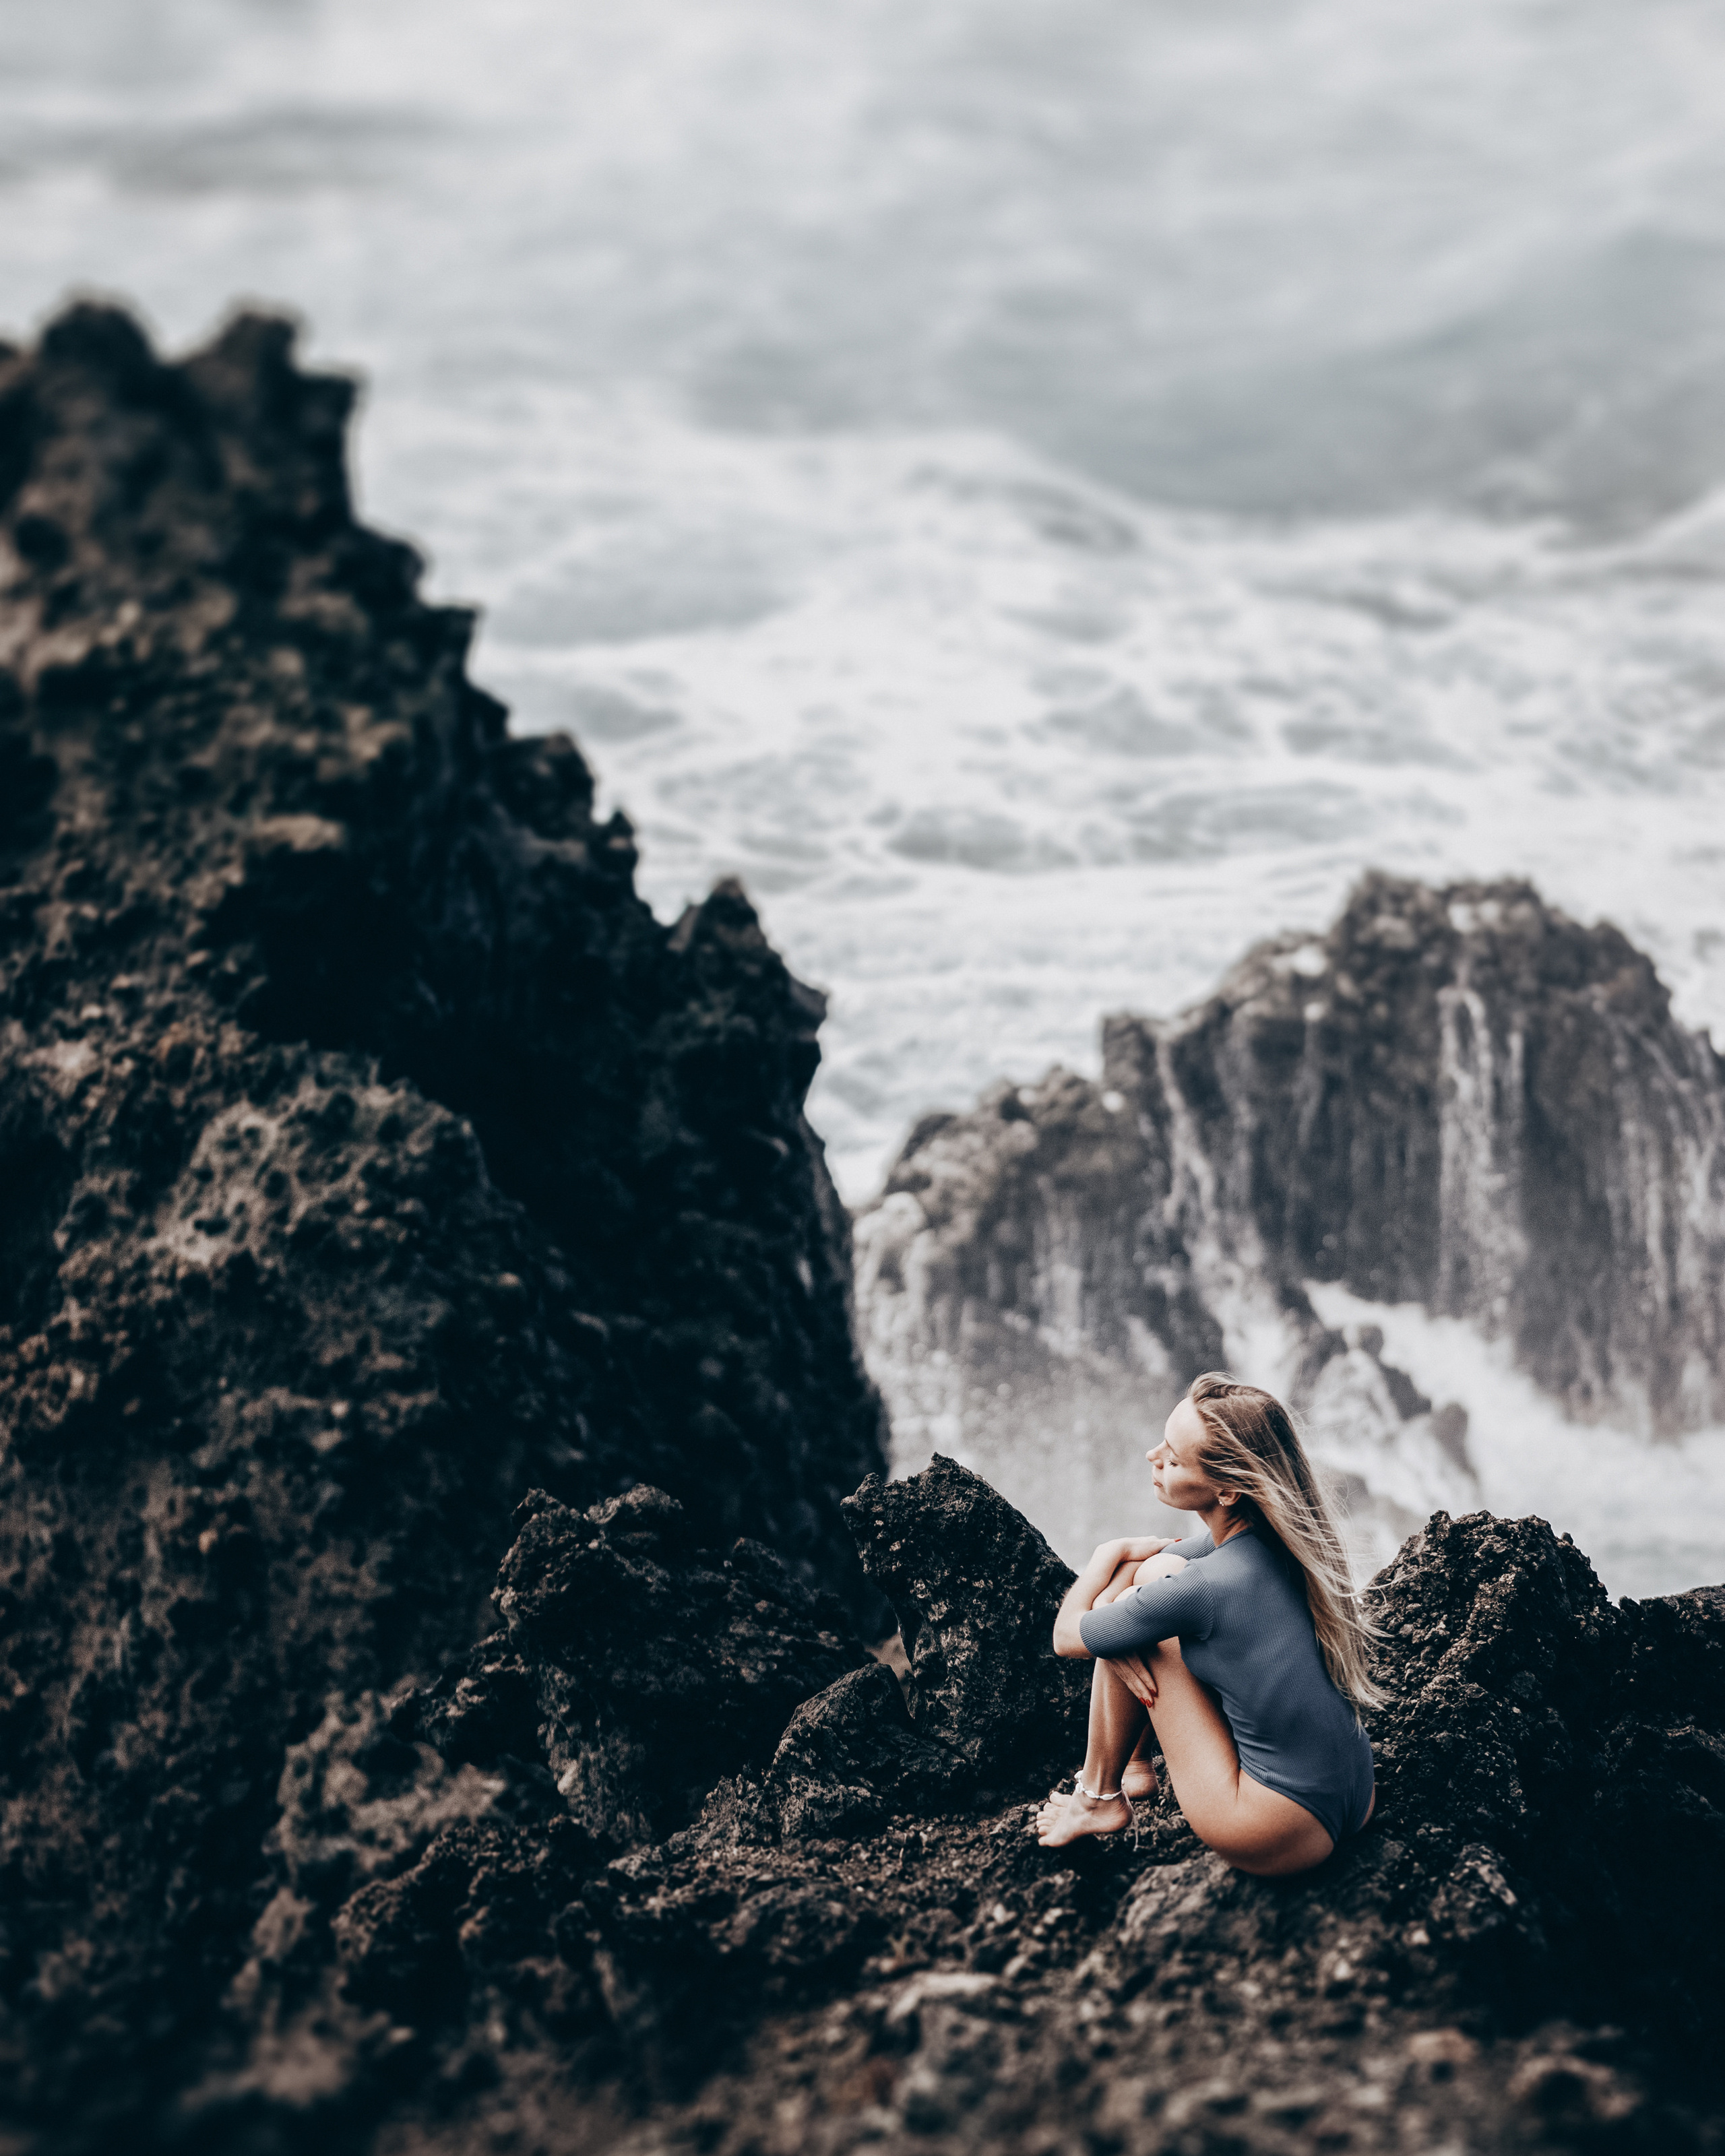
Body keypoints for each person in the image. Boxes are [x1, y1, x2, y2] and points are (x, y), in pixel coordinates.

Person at [1029, 1371, 1379, 1876]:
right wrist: (1126, 1588)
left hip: (1275, 1828)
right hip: (1356, 1797)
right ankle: (1133, 1768)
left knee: (1135, 1616)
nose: (1153, 1457)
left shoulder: (1206, 1587)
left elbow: (1067, 1638)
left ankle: (1098, 1796)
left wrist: (1106, 1556)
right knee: (1145, 1586)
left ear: (1229, 1489)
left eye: (1172, 1458)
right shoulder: (1286, 1540)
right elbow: (1152, 1569)